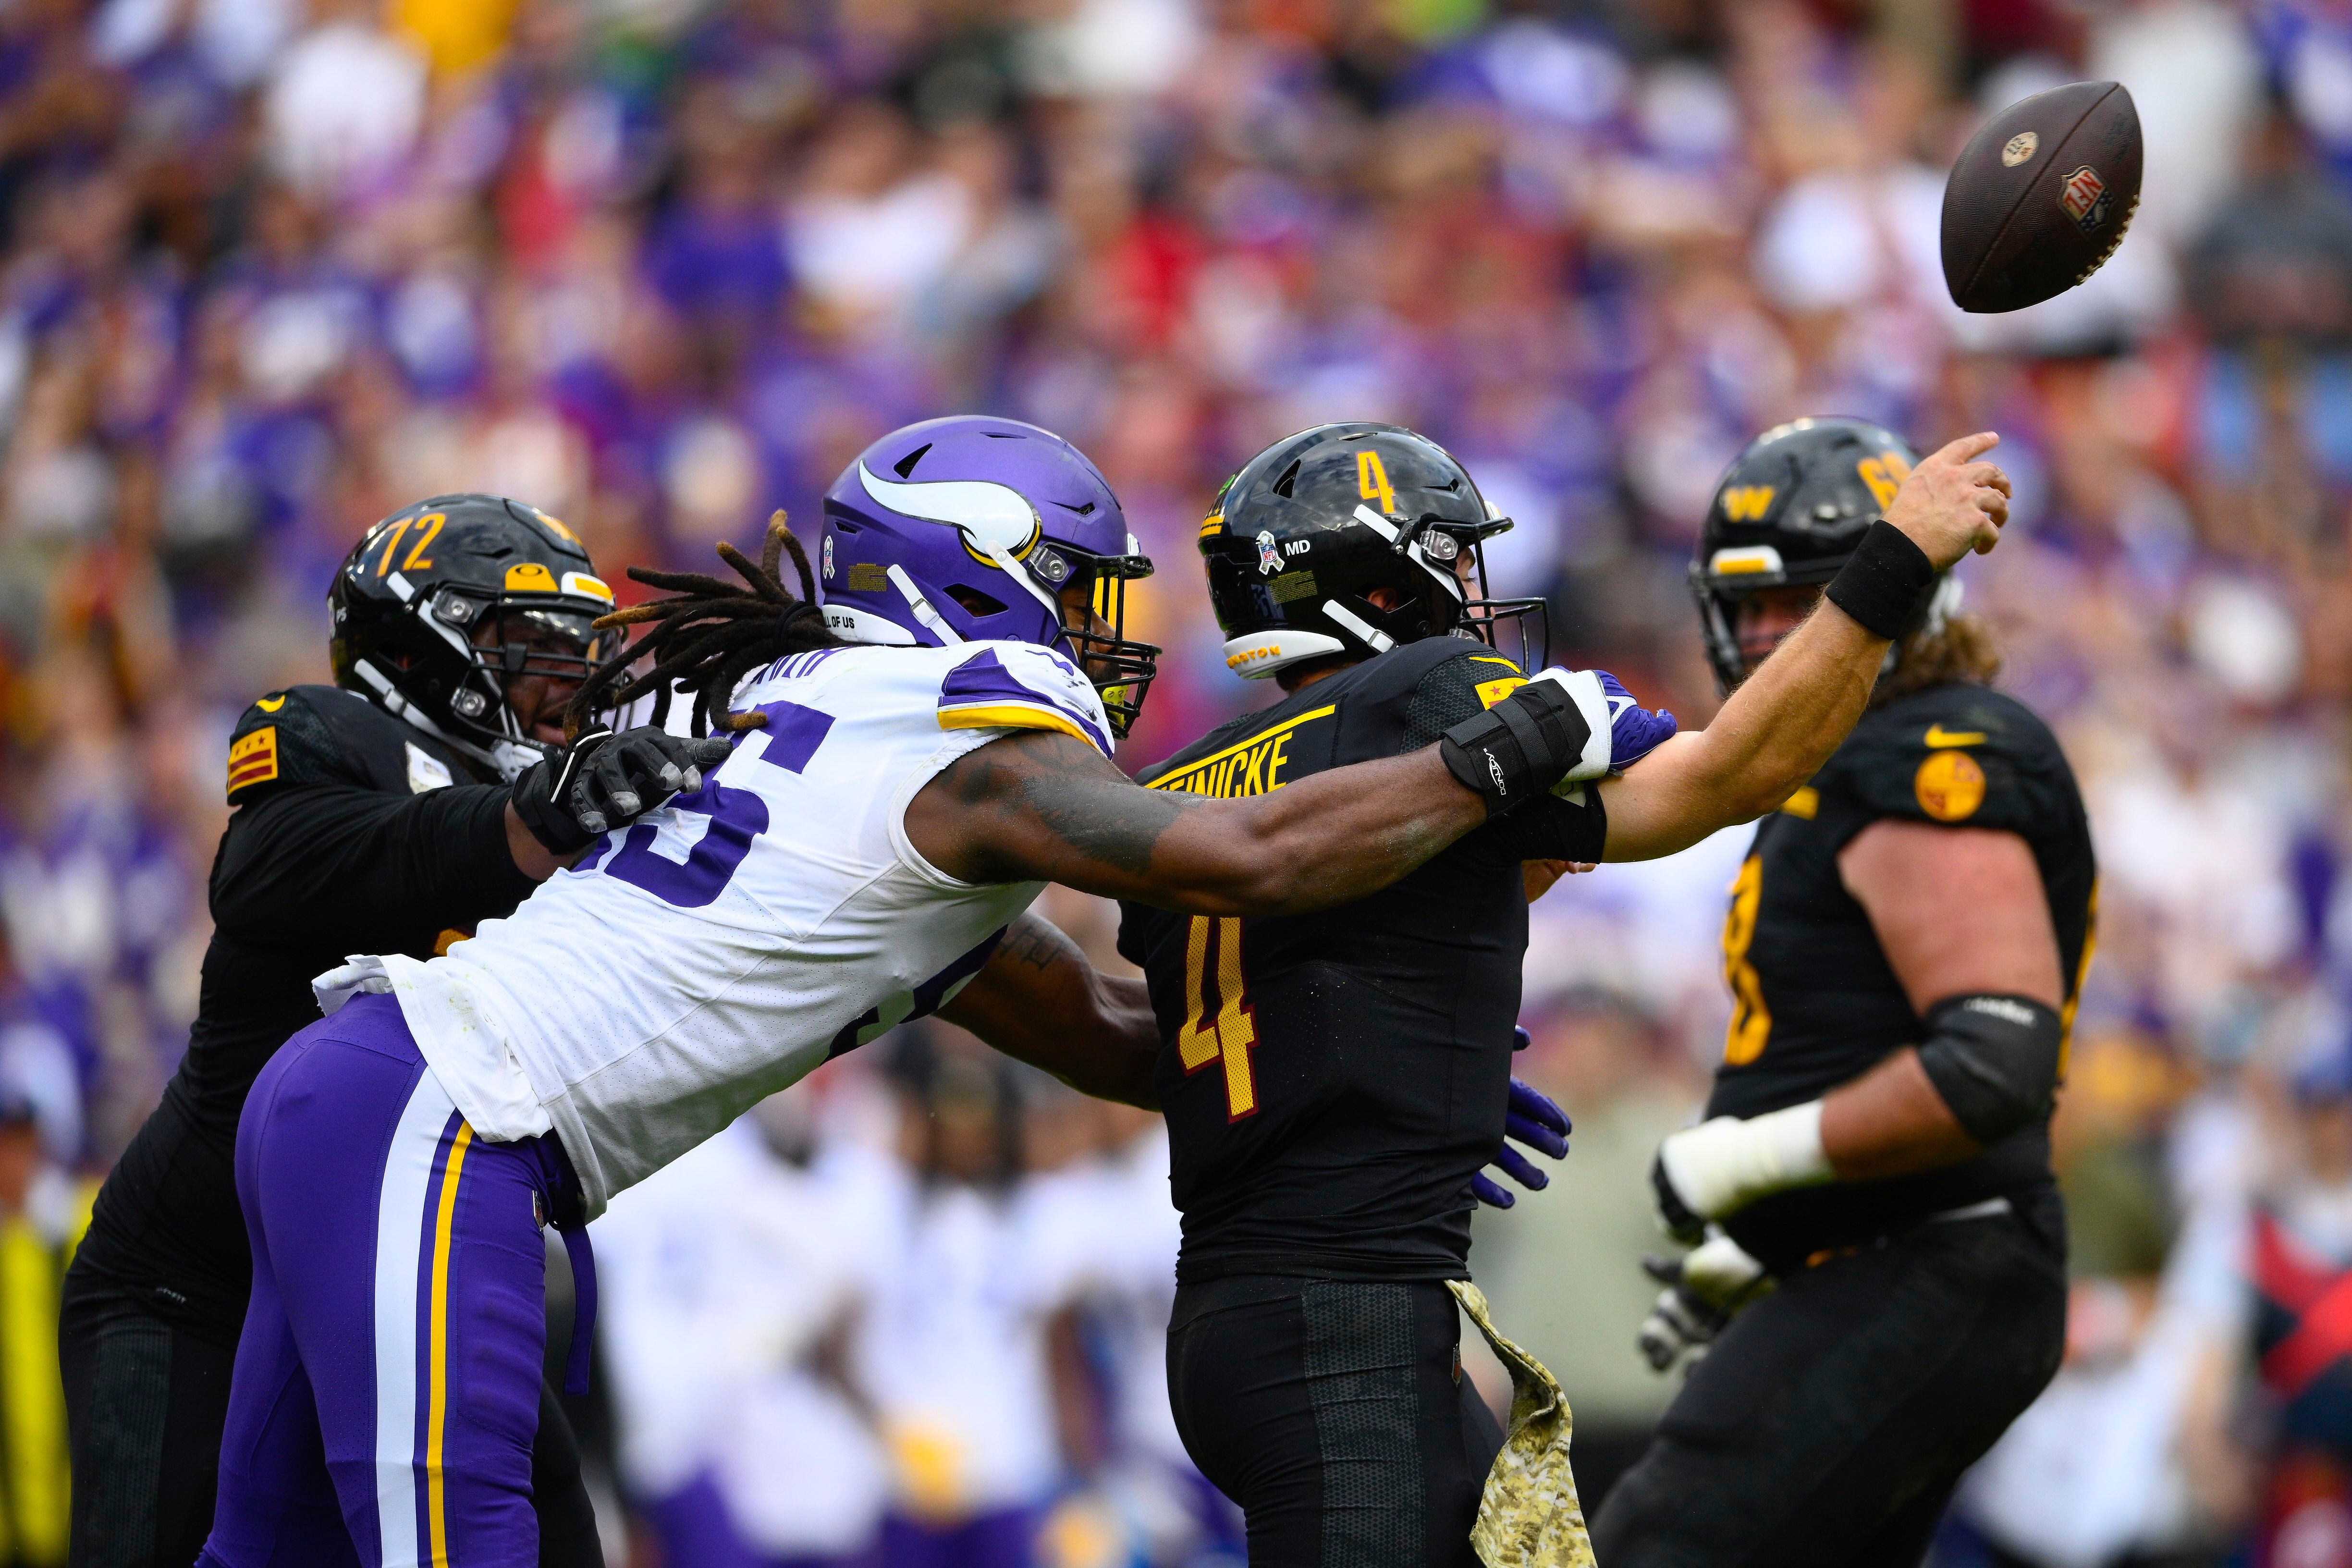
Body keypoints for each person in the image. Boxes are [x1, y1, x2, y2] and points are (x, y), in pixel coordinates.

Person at [197, 409, 2004, 1567]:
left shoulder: (871, 781)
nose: (1106, 631)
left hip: (377, 1100)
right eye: (1071, 587)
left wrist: (1370, 1052)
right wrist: (1508, 746)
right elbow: (1247, 864)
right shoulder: (966, 750)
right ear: (975, 576)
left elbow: (1133, 1035)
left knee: (262, 1550)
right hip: (444, 1115)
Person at [1025, 419, 1990, 1568]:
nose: (1476, 592)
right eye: (1454, 557)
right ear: (1385, 584)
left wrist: (1418, 1060)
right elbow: (1731, 774)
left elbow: (1268, 998)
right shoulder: (1433, 688)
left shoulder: (1187, 783)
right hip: (1346, 1326)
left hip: (1260, 1318)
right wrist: (1892, 566)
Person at [62, 494, 728, 1568]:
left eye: (576, 654)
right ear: (424, 648)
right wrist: (522, 825)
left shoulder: (570, 796)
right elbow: (273, 871)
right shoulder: (331, 733)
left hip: (415, 1263)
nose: (567, 685)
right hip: (197, 1287)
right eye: (530, 650)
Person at [1591, 417, 2097, 1568]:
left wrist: (1750, 1165)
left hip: (1935, 1258)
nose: (1784, 635)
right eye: (1757, 606)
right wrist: (1772, 1235)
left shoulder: (1922, 750)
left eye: (1816, 596)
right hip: (1904, 1254)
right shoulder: (1852, 761)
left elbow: (1990, 1062)